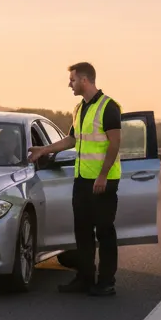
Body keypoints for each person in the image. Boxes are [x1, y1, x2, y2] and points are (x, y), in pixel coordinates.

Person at [28, 62, 122, 297]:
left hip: (103, 180)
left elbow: (115, 143)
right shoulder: (79, 109)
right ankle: (85, 279)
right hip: (82, 180)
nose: (69, 83)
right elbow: (72, 140)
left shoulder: (109, 107)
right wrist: (45, 150)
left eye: (72, 79)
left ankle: (107, 282)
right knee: (82, 232)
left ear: (84, 80)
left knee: (104, 232)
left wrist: (102, 176)